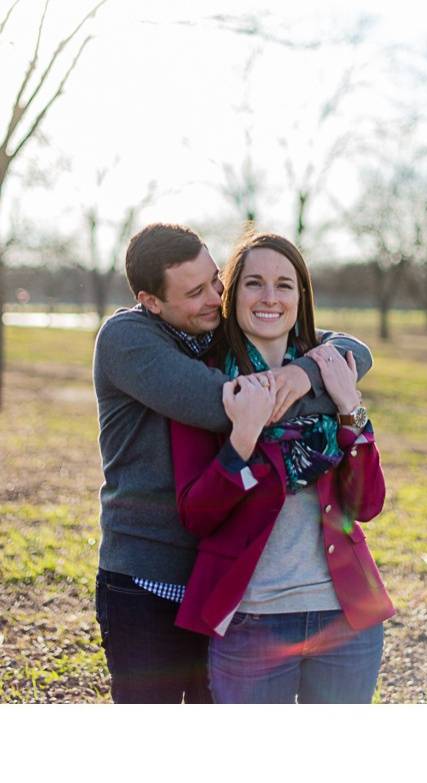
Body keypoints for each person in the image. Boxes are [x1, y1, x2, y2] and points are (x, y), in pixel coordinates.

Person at [93, 223, 372, 703]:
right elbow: (228, 403)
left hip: (222, 580)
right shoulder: (127, 339)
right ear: (152, 300)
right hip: (148, 578)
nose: (214, 296)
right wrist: (330, 390)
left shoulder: (218, 332)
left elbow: (355, 352)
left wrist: (304, 372)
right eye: (195, 291)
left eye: (216, 279)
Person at [170, 232, 393, 703]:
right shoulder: (205, 382)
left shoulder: (330, 370)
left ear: (301, 297)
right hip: (251, 620)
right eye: (254, 283)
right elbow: (197, 515)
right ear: (232, 296)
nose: (270, 297)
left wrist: (350, 405)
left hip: (345, 618)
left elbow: (366, 505)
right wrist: (243, 438)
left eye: (284, 285)